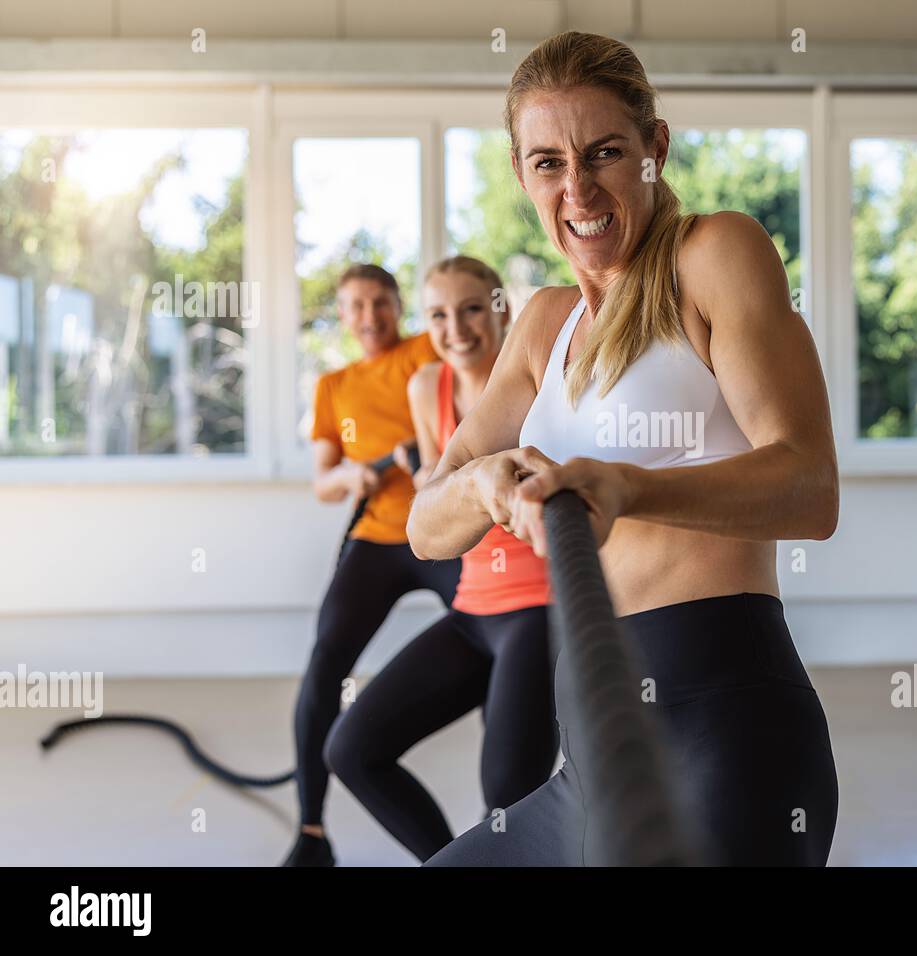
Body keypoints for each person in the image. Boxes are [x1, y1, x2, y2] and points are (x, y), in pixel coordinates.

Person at [408, 31, 840, 866]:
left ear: (656, 148)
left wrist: (628, 487)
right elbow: (429, 525)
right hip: (592, 758)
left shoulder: (716, 255)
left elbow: (810, 486)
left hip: (730, 736)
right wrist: (485, 485)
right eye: (547, 163)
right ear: (521, 174)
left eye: (604, 152)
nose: (578, 187)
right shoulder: (541, 324)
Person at [324, 257, 556, 862]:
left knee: (507, 804)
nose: (456, 327)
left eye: (472, 308)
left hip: (539, 610)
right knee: (351, 749)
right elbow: (435, 504)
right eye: (438, 314)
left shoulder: (543, 383)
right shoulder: (429, 388)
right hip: (472, 607)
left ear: (500, 307)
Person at [283, 263, 461, 867]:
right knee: (326, 658)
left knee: (501, 634)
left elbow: (468, 379)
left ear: (397, 304)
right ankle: (311, 833)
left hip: (441, 531)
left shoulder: (424, 348)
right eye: (356, 305)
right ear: (342, 313)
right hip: (377, 535)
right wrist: (351, 475)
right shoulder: (333, 387)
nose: (369, 316)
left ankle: (516, 816)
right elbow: (322, 480)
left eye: (381, 303)